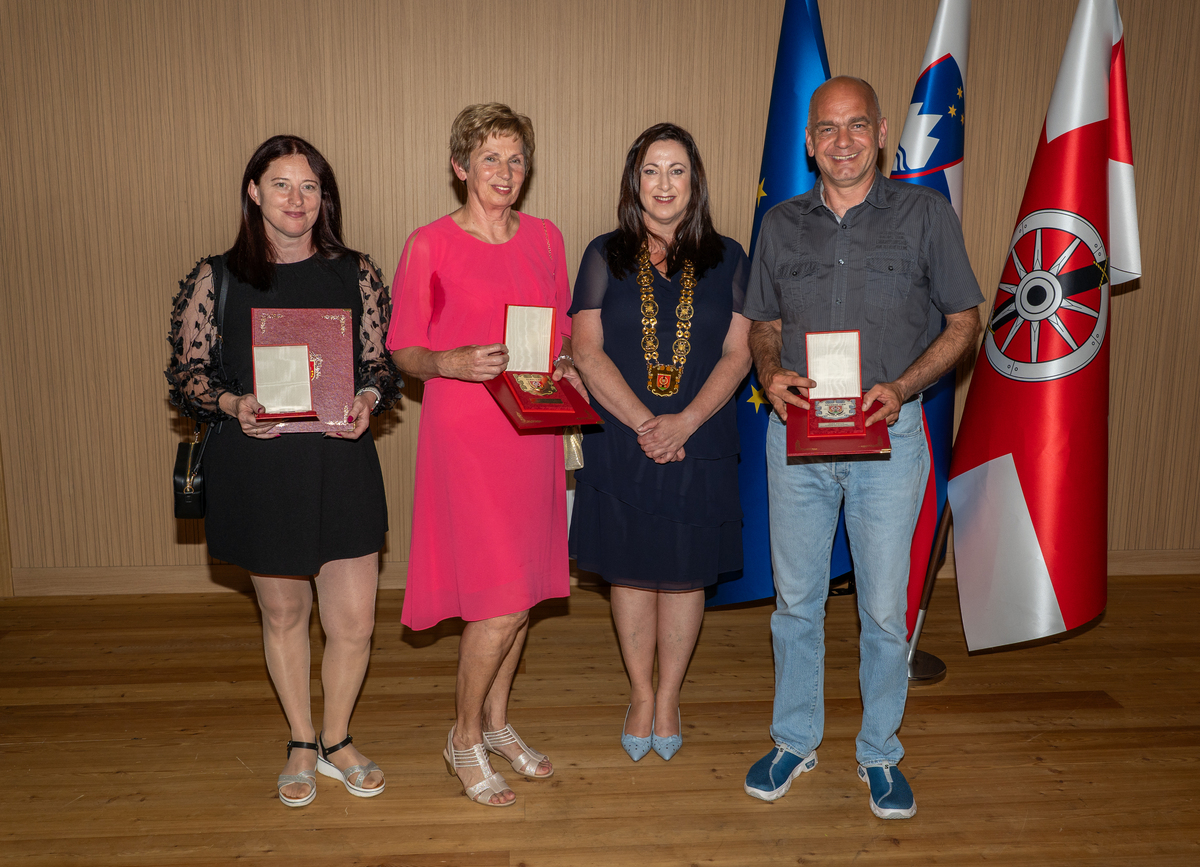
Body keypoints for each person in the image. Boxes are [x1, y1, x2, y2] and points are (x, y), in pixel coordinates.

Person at [741, 77, 983, 818]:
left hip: (890, 440)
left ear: (879, 132)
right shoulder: (780, 224)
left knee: (883, 609)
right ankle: (795, 738)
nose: (841, 141)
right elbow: (762, 322)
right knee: (796, 604)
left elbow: (964, 321)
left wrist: (904, 386)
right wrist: (768, 371)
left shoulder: (926, 216)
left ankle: (879, 751)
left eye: (855, 126)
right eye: (826, 129)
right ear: (809, 141)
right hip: (799, 441)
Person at [166, 135, 401, 807]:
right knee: (284, 611)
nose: (297, 200)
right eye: (282, 185)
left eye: (310, 187)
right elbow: (190, 378)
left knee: (354, 620)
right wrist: (235, 403)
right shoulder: (219, 277)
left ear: (323, 197)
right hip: (261, 464)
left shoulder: (355, 272)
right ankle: (302, 739)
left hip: (340, 459)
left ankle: (337, 738)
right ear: (254, 192)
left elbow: (379, 365)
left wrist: (367, 397)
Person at [387, 104, 582, 808]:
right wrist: (449, 359)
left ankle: (498, 724)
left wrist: (562, 364)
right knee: (497, 601)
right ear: (460, 166)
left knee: (523, 591)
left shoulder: (548, 238)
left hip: (532, 432)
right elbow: (403, 347)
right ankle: (463, 734)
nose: (505, 172)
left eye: (516, 159)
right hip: (466, 434)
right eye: (490, 158)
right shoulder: (428, 244)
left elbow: (557, 331)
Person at [569, 123, 751, 762]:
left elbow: (739, 351)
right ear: (633, 181)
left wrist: (685, 422)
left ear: (694, 182)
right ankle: (640, 692)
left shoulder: (730, 255)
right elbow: (585, 352)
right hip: (621, 438)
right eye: (651, 170)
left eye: (677, 171)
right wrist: (649, 422)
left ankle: (669, 695)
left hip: (699, 438)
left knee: (682, 575)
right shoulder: (603, 253)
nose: (664, 184)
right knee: (631, 569)